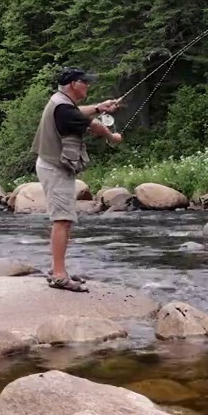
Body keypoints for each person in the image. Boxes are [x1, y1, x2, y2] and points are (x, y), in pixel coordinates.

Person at [32, 67, 123, 292]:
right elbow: (94, 126)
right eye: (85, 82)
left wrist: (100, 107)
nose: (88, 85)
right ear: (73, 84)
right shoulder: (64, 108)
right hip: (55, 168)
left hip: (52, 165)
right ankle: (60, 276)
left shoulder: (60, 101)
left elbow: (78, 111)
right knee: (62, 220)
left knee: (64, 220)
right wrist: (113, 137)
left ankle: (58, 269)